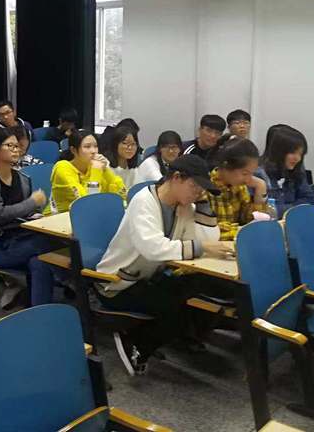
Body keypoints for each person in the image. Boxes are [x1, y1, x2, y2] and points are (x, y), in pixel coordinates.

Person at [95, 155, 228, 375]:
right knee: (176, 311)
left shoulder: (183, 206)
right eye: (194, 187)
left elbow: (204, 240)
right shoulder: (143, 201)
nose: (197, 193)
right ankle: (136, 343)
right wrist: (201, 247)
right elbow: (153, 248)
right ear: (176, 178)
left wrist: (203, 204)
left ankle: (147, 336)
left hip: (147, 278)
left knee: (198, 287)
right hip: (118, 283)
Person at [0, 127, 53, 306]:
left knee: (40, 262)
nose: (15, 150)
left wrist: (36, 213)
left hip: (20, 240)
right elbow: (0, 214)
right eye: (9, 146)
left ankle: (40, 313)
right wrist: (32, 202)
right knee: (47, 244)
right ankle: (74, 280)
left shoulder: (22, 178)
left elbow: (26, 212)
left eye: (17, 146)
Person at [47, 129, 126, 214]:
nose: (94, 151)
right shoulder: (62, 167)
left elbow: (123, 194)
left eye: (95, 146)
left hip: (90, 214)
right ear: (73, 150)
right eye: (87, 147)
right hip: (58, 217)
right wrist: (96, 172)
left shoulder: (95, 166)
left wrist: (105, 170)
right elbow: (87, 202)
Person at [206, 136, 269, 240]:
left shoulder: (240, 187)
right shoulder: (205, 188)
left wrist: (260, 187)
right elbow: (211, 231)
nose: (248, 179)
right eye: (245, 173)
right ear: (226, 166)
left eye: (251, 173)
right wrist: (241, 231)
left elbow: (252, 222)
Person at [261, 126, 314, 218]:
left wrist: (285, 209)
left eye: (300, 154)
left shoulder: (297, 168)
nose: (298, 158)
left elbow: (309, 200)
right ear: (278, 152)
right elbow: (266, 211)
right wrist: (294, 207)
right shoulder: (260, 173)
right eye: (293, 153)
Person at [102, 125, 140, 190]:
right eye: (125, 143)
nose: (130, 148)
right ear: (115, 144)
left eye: (133, 144)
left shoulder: (134, 169)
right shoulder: (105, 165)